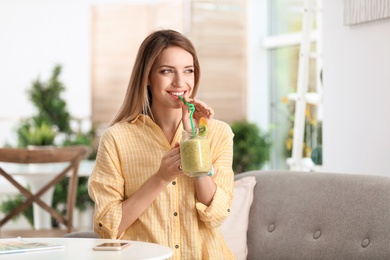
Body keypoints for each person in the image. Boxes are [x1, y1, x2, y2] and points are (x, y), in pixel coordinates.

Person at [88, 29, 235, 259]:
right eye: (167, 71)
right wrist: (161, 178)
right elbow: (108, 228)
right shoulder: (116, 139)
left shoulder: (218, 133)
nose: (180, 82)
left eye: (189, 71)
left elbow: (216, 215)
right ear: (147, 76)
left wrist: (192, 136)